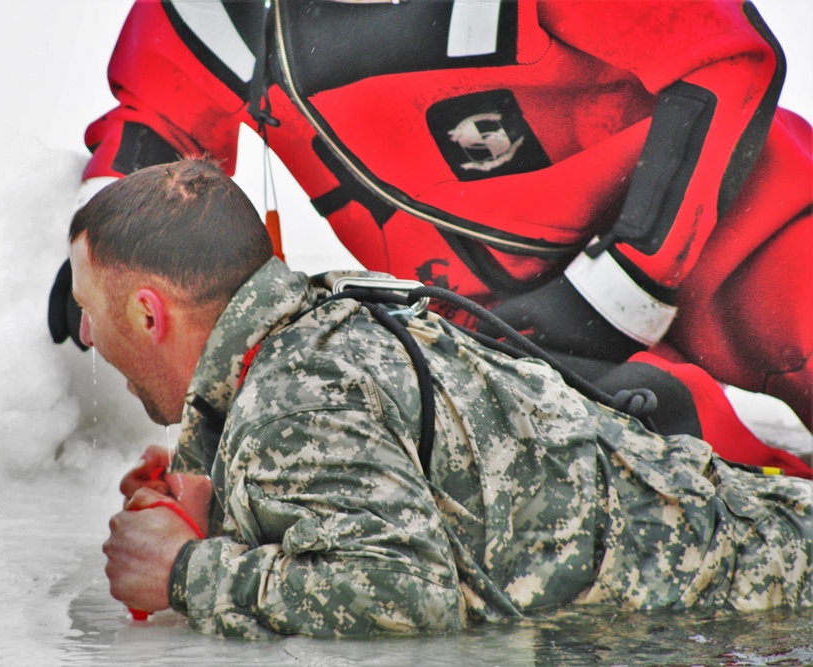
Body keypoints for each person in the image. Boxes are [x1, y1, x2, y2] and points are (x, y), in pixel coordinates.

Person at [71, 157, 811, 639]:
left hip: (764, 594)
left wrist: (184, 570)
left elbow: (403, 593)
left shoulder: (292, 397)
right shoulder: (318, 332)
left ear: (146, 312)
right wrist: (221, 505)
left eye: (87, 307)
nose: (83, 332)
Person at [49, 0, 813, 440]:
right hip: (499, 332)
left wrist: (622, 287)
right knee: (674, 482)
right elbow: (158, 119)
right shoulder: (223, 11)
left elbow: (722, 60)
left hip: (750, 238)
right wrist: (106, 246)